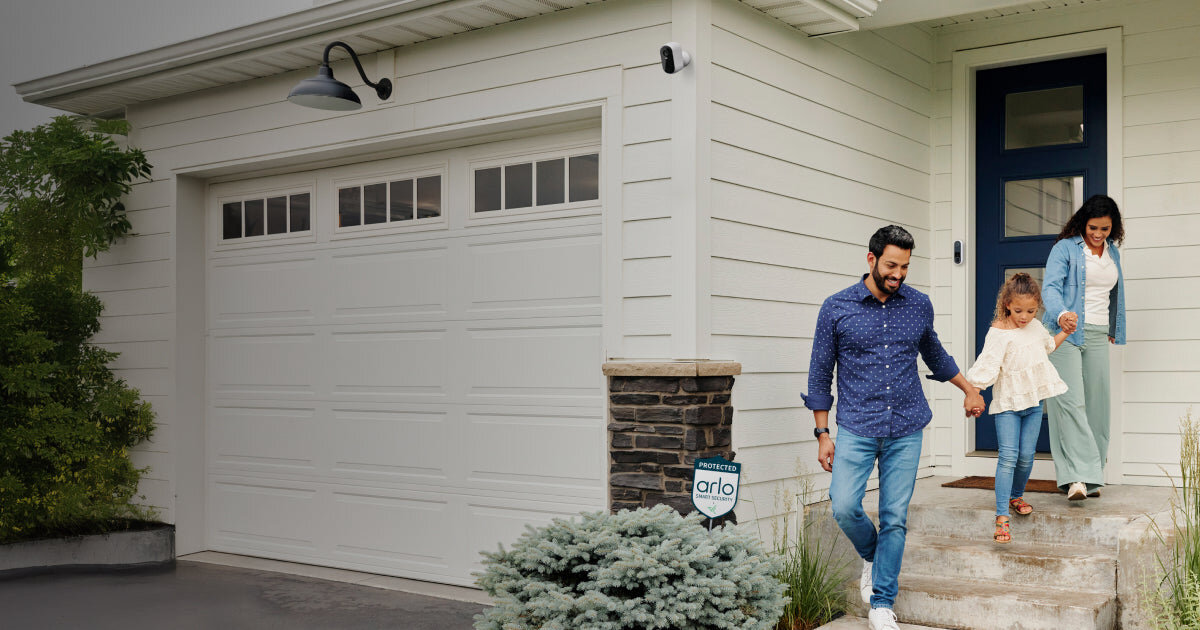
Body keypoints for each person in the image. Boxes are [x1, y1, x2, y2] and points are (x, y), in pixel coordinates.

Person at [803, 225, 985, 630]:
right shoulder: (836, 308)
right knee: (845, 506)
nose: (898, 274)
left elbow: (935, 354)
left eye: (904, 266)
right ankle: (873, 555)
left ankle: (883, 602)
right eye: (891, 265)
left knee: (895, 517)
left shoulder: (918, 305)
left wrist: (969, 390)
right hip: (856, 426)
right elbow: (819, 374)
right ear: (871, 260)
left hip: (906, 426)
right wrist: (822, 433)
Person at [964, 273, 1074, 543]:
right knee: (1008, 457)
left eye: (1031, 311)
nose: (1024, 316)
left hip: (1033, 404)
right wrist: (973, 393)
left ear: (1037, 308)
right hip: (1008, 406)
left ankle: (1016, 495)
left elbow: (1046, 348)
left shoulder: (1036, 327)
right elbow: (986, 366)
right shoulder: (999, 332)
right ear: (1007, 305)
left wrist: (1065, 332)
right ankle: (1002, 516)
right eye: (1018, 311)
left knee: (1026, 456)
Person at [1041, 194, 1127, 501]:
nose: (1098, 234)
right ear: (1083, 222)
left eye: (1105, 229)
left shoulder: (1111, 253)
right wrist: (1062, 314)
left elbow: (1113, 293)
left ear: (1112, 228)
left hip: (1098, 332)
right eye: (1093, 227)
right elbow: (1050, 287)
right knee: (1070, 403)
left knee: (1098, 406)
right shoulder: (1064, 249)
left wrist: (1115, 327)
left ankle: (1092, 477)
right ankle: (1075, 477)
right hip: (1066, 331)